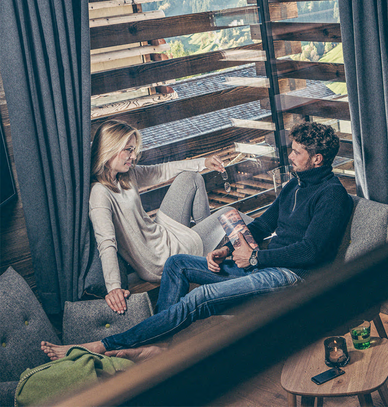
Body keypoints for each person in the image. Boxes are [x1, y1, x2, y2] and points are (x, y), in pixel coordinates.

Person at [42, 121, 352, 358]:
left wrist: (256, 258)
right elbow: (262, 225)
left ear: (317, 159)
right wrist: (226, 250)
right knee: (178, 264)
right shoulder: (293, 186)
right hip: (263, 265)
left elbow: (312, 251)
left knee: (198, 298)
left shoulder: (332, 195)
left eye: (297, 151)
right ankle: (161, 343)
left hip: (292, 276)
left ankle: (103, 345)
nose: (291, 155)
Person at [89, 120, 232, 314]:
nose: (133, 156)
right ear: (110, 149)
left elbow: (161, 171)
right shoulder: (99, 193)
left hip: (160, 235)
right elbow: (106, 242)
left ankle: (204, 255)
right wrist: (113, 287)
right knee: (230, 214)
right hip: (156, 259)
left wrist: (204, 163)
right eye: (129, 150)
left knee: (191, 177)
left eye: (134, 150)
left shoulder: (125, 175)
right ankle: (208, 253)